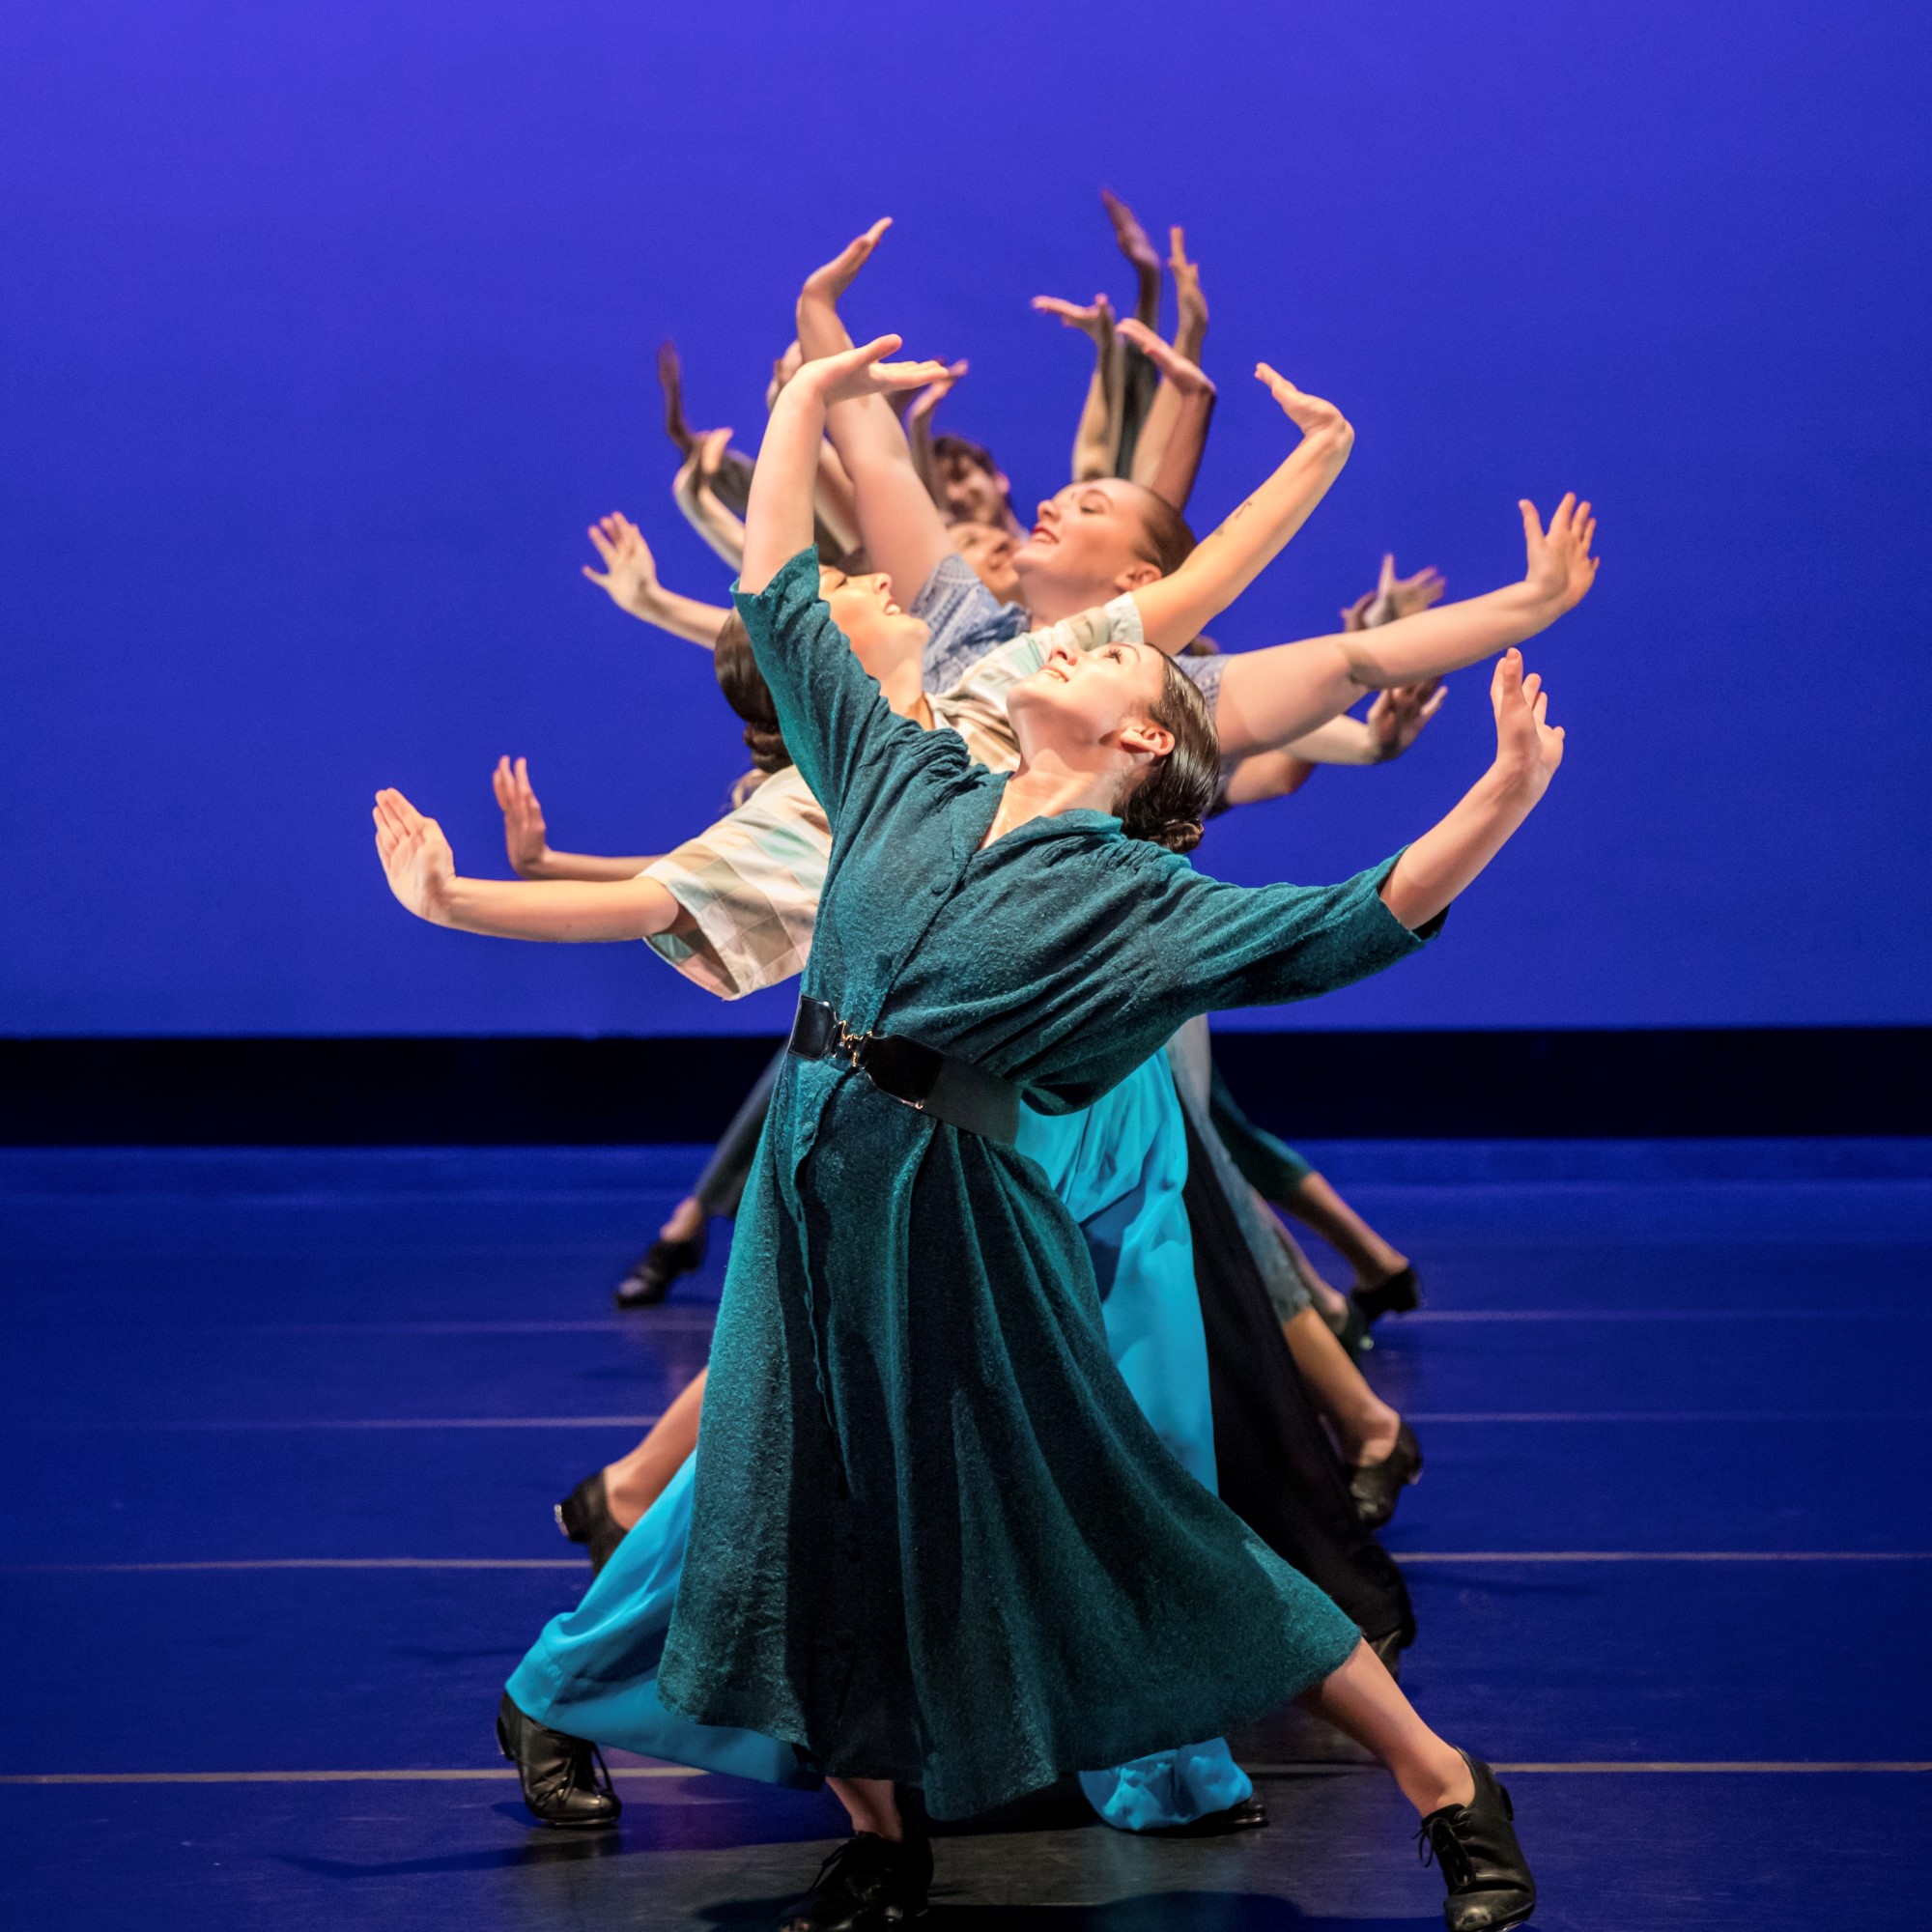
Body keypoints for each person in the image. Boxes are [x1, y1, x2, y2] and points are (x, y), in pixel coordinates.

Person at [377, 336, 1574, 1932]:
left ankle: (1444, 1783)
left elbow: (1343, 924)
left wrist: (1497, 797)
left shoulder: (1134, 893)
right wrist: (803, 400)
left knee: (1132, 1502)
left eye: (1115, 658)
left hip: (964, 1197)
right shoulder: (907, 774)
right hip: (812, 1182)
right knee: (787, 1515)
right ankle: (881, 1838)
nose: (1080, 646)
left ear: (1140, 742)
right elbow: (778, 598)